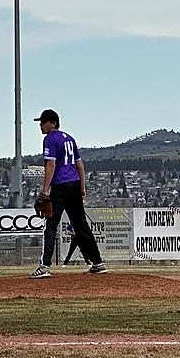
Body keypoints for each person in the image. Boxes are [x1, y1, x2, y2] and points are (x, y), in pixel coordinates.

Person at [29, 109, 106, 279]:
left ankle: (44, 266)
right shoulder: (69, 138)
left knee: (51, 225)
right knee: (81, 225)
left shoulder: (49, 139)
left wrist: (44, 190)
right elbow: (80, 165)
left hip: (60, 186)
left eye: (43, 122)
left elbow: (51, 165)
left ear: (53, 123)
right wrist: (82, 187)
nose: (41, 125)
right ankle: (98, 262)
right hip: (74, 185)